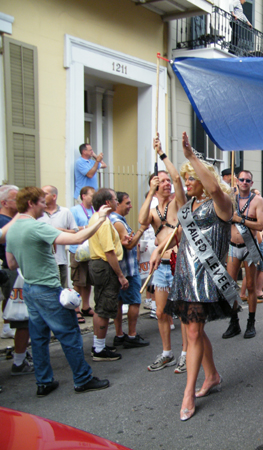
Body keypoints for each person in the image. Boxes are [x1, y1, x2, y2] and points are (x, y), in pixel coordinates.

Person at [150, 131, 236, 421]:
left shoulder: (222, 205)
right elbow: (179, 232)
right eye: (186, 178)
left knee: (194, 332)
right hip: (185, 276)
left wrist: (190, 156)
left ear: (203, 177)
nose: (186, 183)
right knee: (193, 331)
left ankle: (188, 393)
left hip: (207, 279)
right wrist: (158, 250)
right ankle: (211, 375)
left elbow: (214, 189)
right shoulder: (187, 208)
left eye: (192, 178)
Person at [6, 187, 112, 396]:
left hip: (29, 288)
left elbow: (11, 264)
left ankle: (44, 382)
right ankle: (82, 379)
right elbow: (76, 239)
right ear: (30, 204)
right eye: (41, 202)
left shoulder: (13, 229)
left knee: (38, 337)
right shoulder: (36, 227)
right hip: (46, 288)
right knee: (70, 333)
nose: (45, 206)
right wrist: (99, 219)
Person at [139, 135, 188, 372]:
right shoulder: (152, 208)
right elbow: (140, 221)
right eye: (162, 181)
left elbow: (178, 177)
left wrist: (161, 153)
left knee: (184, 313)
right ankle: (167, 352)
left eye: (168, 180)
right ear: (154, 185)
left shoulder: (178, 202)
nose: (167, 183)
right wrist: (149, 193)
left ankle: (187, 353)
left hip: (178, 262)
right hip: (160, 268)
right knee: (160, 312)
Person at [222, 169, 263, 340]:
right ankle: (234, 323)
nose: (245, 182)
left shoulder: (258, 201)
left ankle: (251, 323)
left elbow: (260, 225)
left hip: (250, 247)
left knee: (251, 287)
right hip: (233, 246)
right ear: (237, 181)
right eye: (242, 180)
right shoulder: (230, 197)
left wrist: (240, 220)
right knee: (230, 287)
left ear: (251, 183)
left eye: (248, 180)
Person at [87, 188, 128, 362]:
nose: (117, 202)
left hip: (99, 266)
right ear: (107, 203)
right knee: (104, 308)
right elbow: (109, 252)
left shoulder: (97, 218)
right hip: (105, 267)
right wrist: (120, 275)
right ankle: (99, 349)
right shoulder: (103, 221)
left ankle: (99, 345)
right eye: (114, 199)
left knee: (100, 306)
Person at [109, 192, 150, 349]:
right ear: (117, 204)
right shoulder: (117, 222)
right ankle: (131, 335)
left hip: (121, 268)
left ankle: (119, 334)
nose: (130, 206)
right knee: (134, 301)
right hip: (128, 269)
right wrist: (142, 230)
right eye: (127, 203)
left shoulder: (113, 220)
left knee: (119, 302)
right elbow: (129, 244)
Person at [38, 186, 78, 290]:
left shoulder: (65, 212)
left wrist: (62, 231)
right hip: (42, 262)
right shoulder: (38, 213)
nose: (41, 196)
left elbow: (75, 231)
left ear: (54, 196)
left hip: (60, 261)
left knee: (60, 291)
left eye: (45, 193)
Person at [69, 187, 96, 320]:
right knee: (78, 281)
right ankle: (76, 309)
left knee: (88, 281)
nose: (94, 198)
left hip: (91, 250)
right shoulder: (74, 210)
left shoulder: (95, 210)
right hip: (77, 249)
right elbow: (71, 229)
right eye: (92, 195)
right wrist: (86, 228)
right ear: (83, 196)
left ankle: (86, 306)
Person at [0, 185, 20, 339]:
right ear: (4, 203)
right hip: (9, 266)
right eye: (16, 199)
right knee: (12, 298)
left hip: (13, 266)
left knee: (11, 297)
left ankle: (8, 326)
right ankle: (8, 326)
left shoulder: (12, 219)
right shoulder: (3, 221)